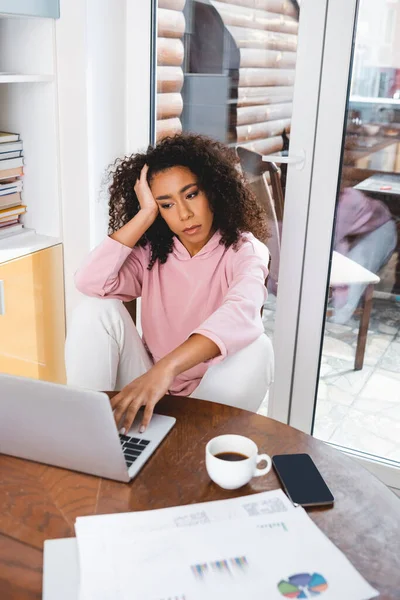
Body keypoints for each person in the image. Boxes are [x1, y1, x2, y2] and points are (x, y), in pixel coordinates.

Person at [65, 134, 274, 433]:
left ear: (212, 191)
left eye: (191, 195)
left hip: (208, 396)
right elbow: (90, 281)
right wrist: (145, 215)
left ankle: (193, 441)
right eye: (166, 204)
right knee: (94, 310)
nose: (184, 214)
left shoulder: (244, 251)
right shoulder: (154, 251)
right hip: (148, 385)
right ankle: (87, 431)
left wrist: (167, 368)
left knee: (259, 348)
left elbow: (242, 313)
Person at [332, 186, 397, 324]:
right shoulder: (339, 199)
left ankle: (339, 320)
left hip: (381, 232)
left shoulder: (347, 201)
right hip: (364, 231)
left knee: (353, 273)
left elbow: (333, 245)